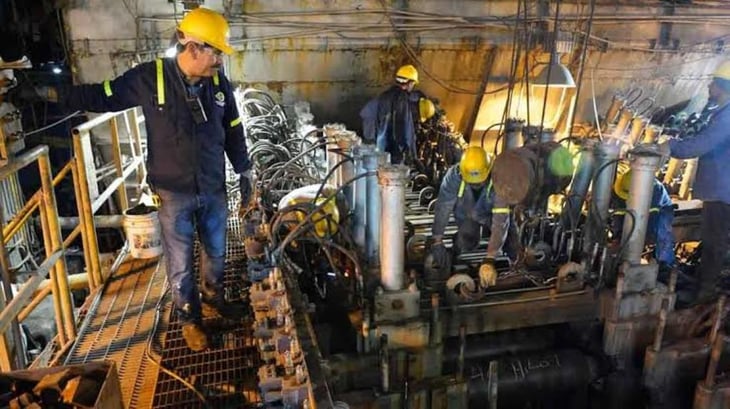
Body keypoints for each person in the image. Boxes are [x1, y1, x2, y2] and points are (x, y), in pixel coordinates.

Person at [43, 8, 251, 351]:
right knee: (181, 262)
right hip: (173, 193)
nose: (219, 60)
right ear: (193, 48)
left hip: (212, 186)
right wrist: (51, 96)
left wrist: (244, 170)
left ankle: (214, 298)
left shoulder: (219, 84)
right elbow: (102, 96)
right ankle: (190, 319)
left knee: (216, 251)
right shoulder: (150, 78)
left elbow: (233, 130)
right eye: (214, 51)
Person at [660, 59, 730, 303]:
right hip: (721, 188)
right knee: (718, 241)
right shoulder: (722, 112)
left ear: (724, 87)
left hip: (723, 191)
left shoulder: (727, 116)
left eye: (714, 84)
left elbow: (703, 144)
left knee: (715, 242)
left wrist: (669, 147)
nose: (710, 88)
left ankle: (705, 294)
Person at [428, 146, 514, 288]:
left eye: (480, 181)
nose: (476, 184)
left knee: (511, 239)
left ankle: (515, 269)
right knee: (467, 241)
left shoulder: (500, 179)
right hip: (467, 215)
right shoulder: (453, 177)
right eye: (472, 182)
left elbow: (500, 220)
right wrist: (437, 239)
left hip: (491, 215)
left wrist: (490, 259)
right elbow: (443, 207)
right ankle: (456, 252)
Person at [360, 64, 435, 164]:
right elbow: (403, 130)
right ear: (409, 83)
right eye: (413, 84)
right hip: (371, 119)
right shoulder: (401, 99)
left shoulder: (393, 92)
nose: (413, 87)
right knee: (375, 150)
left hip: (371, 116)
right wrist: (411, 155)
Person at [610, 168, 676, 270]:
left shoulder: (655, 190)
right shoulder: (621, 186)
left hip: (661, 210)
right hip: (642, 207)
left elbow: (651, 217)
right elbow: (618, 214)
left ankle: (666, 264)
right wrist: (617, 236)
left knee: (662, 233)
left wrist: (642, 238)